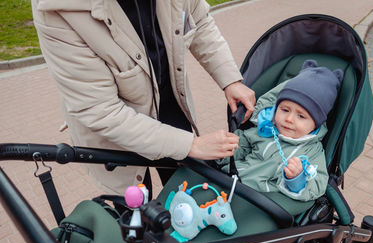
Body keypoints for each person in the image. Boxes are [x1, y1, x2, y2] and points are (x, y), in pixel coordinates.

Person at [31, 0, 255, 195]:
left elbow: (199, 19)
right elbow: (101, 110)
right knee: (135, 210)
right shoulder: (57, 8)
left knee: (187, 189)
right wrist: (192, 145)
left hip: (169, 106)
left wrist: (230, 79)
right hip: (113, 136)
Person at [219, 59, 343, 201]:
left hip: (261, 200)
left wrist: (296, 179)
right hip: (230, 182)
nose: (289, 119)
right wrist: (224, 151)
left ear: (316, 124)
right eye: (284, 110)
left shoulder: (312, 152)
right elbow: (240, 146)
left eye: (301, 116)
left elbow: (318, 184)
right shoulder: (265, 130)